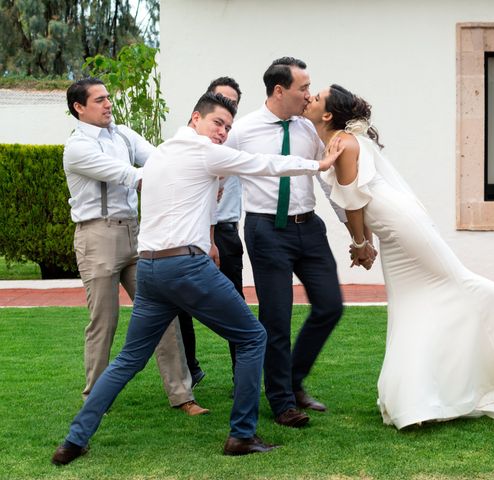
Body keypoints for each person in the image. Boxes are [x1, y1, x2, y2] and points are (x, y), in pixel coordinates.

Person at [51, 92, 344, 465]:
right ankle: (241, 434)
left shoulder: (162, 155)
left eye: (227, 127)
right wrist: (319, 165)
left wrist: (211, 207)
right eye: (217, 123)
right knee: (254, 337)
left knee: (128, 358)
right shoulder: (204, 152)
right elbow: (264, 163)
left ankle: (74, 441)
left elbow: (183, 196)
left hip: (152, 268)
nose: (222, 132)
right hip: (185, 267)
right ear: (196, 119)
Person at [303, 84, 494, 429]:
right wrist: (363, 241)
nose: (310, 99)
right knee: (409, 305)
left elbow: (353, 200)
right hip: (390, 231)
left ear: (330, 114)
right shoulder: (334, 141)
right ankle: (417, 397)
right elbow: (351, 201)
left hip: (399, 224)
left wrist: (361, 243)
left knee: (460, 284)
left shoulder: (346, 143)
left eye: (316, 98)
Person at [62, 77, 207, 416]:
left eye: (108, 97)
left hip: (136, 235)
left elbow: (158, 160)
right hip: (96, 238)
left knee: (163, 317)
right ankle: (94, 400)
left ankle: (182, 395)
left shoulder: (123, 134)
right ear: (79, 108)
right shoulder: (78, 147)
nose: (108, 104)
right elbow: (129, 175)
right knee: (104, 321)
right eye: (99, 100)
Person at [226, 57, 351, 428]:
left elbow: (326, 178)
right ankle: (282, 401)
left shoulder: (309, 129)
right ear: (280, 90)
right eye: (303, 88)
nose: (309, 94)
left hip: (309, 228)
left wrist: (354, 232)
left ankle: (293, 380)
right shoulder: (243, 130)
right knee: (276, 318)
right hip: (266, 231)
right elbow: (218, 177)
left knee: (330, 305)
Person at [178, 76, 243, 388]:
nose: (224, 125)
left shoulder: (234, 138)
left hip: (226, 232)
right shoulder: (188, 143)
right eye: (220, 102)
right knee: (179, 308)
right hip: (191, 237)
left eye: (232, 107)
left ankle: (241, 374)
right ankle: (189, 370)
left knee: (235, 304)